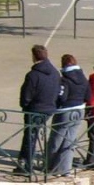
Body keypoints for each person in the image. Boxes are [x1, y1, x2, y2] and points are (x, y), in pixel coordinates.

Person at [16, 45, 60, 174]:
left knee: (30, 137)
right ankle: (25, 161)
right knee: (33, 135)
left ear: (34, 56)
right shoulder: (55, 72)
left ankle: (26, 165)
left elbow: (26, 95)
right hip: (49, 108)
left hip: (34, 109)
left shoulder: (33, 75)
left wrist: (25, 105)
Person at [48, 53, 89, 176]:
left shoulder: (64, 80)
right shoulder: (83, 78)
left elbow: (62, 97)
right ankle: (66, 169)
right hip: (79, 110)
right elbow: (88, 96)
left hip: (65, 112)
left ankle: (51, 167)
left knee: (56, 139)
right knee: (70, 141)